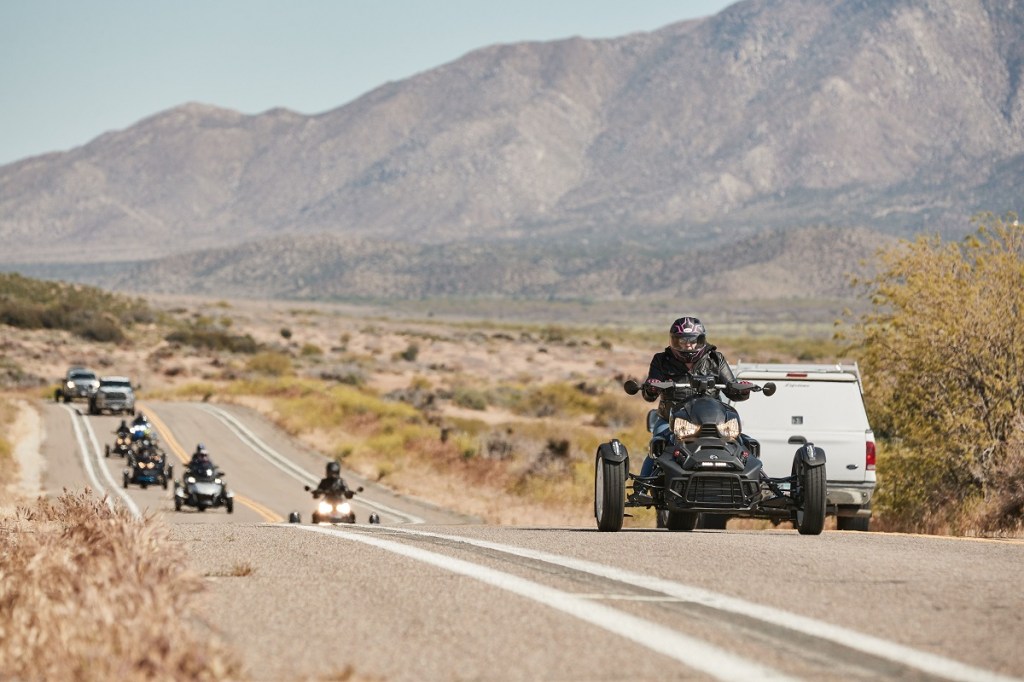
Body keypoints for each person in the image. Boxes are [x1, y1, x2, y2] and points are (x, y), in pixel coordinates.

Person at [636, 316, 753, 489]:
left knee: (743, 442)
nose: (688, 345)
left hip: (713, 418)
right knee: (658, 443)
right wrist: (651, 387)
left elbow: (732, 389)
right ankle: (642, 487)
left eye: (693, 341)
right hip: (672, 418)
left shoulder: (715, 359)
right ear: (674, 341)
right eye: (682, 341)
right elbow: (650, 393)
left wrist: (741, 389)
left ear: (701, 340)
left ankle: (759, 485)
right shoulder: (661, 360)